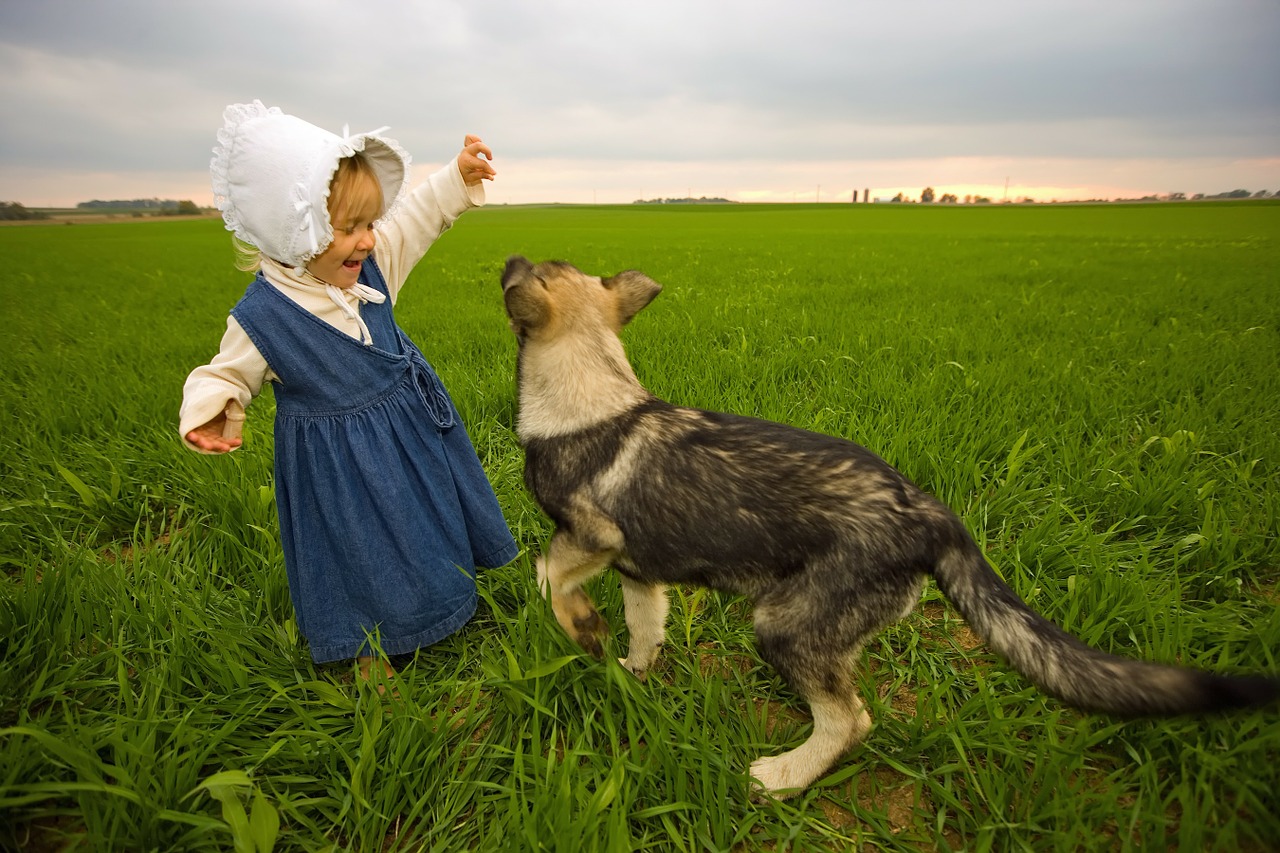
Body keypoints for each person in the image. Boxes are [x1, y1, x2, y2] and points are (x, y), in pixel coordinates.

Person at [180, 100, 517, 684]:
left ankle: (442, 599)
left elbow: (414, 218)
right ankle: (367, 648)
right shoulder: (265, 314)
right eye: (349, 227)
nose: (367, 239)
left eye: (369, 223)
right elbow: (225, 372)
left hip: (409, 432)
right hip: (336, 468)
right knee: (358, 550)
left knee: (423, 519)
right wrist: (215, 409)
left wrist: (455, 180)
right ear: (295, 227)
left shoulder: (373, 263)